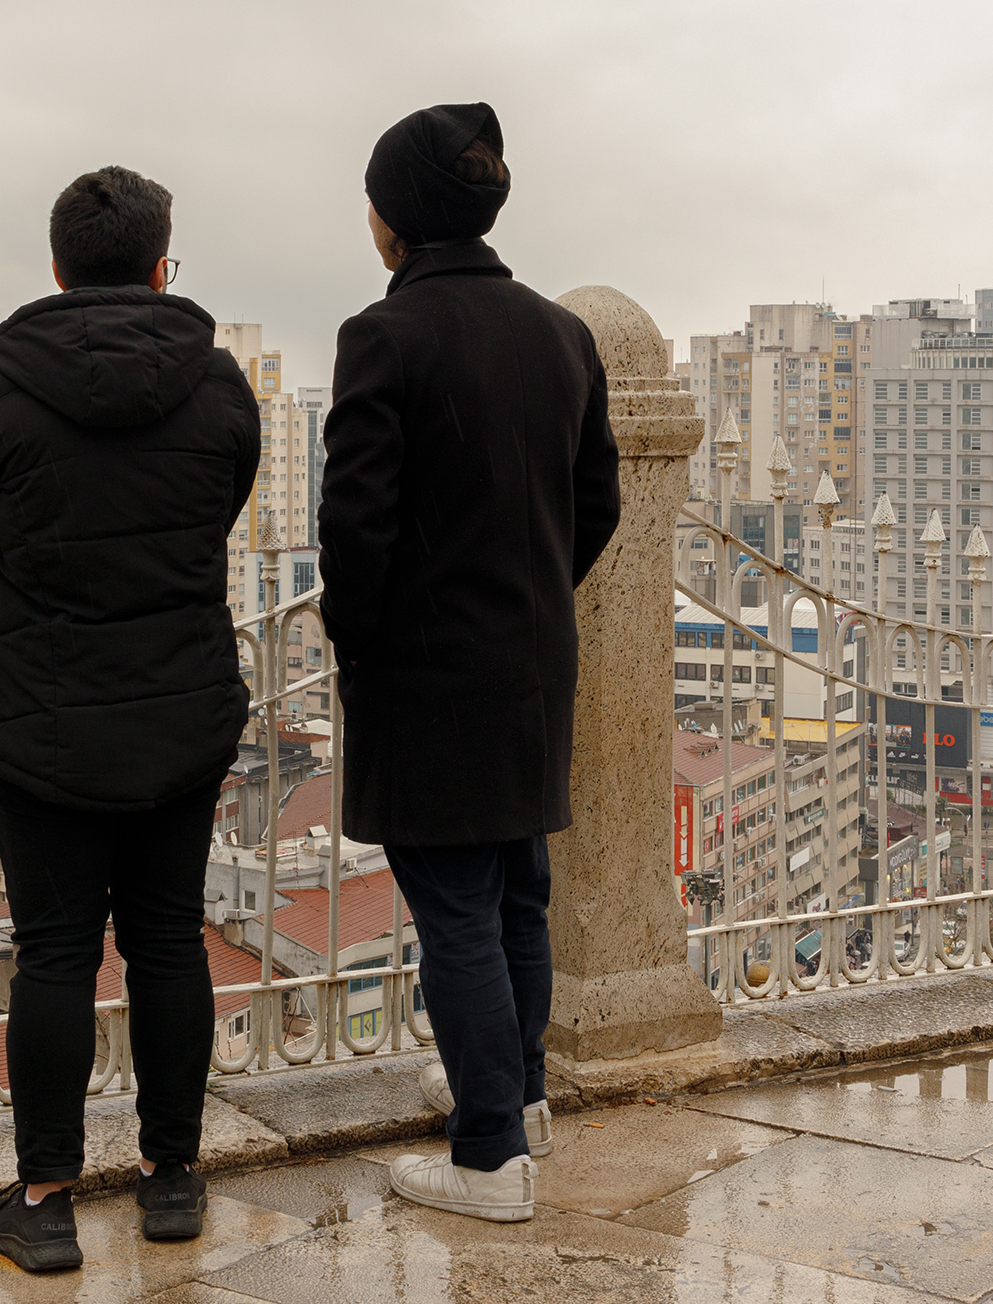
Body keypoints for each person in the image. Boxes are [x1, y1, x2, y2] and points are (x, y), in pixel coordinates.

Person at [0, 165, 260, 1274]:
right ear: (161, 268)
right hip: (180, 712)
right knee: (168, 938)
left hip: (42, 721)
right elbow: (212, 517)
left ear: (58, 271)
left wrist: (17, 617)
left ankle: (46, 1200)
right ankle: (172, 1179)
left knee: (55, 955)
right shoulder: (220, 389)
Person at [318, 101, 622, 1224]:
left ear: (394, 216)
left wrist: (364, 637)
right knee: (517, 895)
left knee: (454, 908)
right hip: (532, 666)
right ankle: (521, 1100)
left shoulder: (384, 336)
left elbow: (355, 529)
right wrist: (529, 591)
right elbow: (598, 503)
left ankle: (489, 1157)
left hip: (429, 675)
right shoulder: (561, 333)